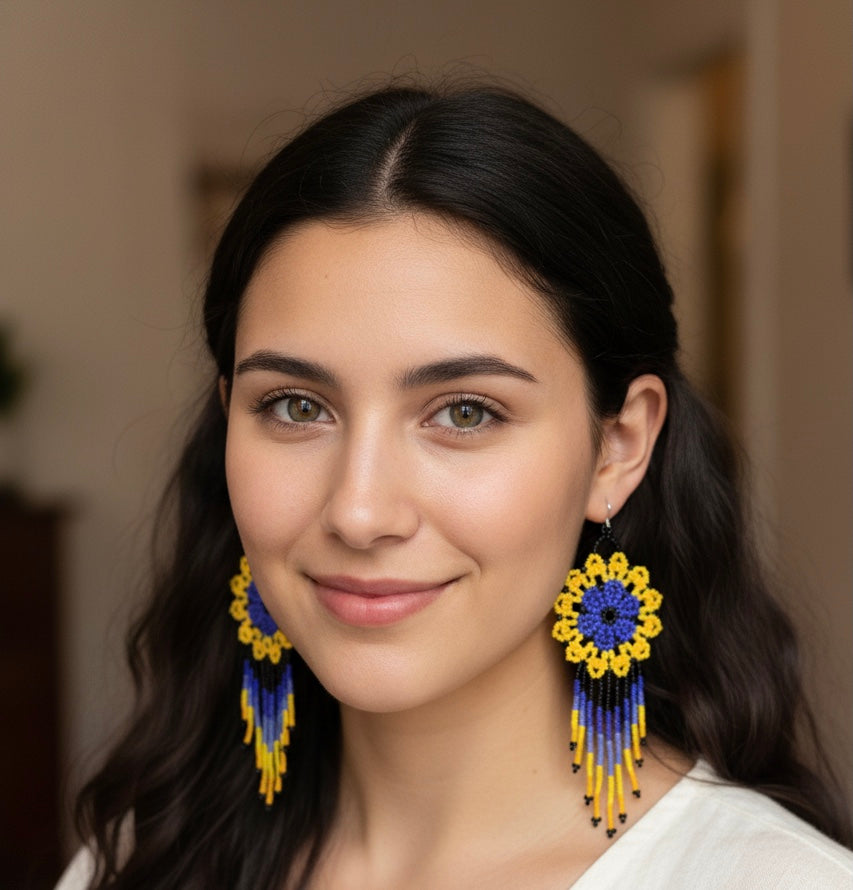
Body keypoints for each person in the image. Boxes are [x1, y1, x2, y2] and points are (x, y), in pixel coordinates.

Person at [58, 82, 852, 889]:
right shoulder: (136, 860)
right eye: (296, 406)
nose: (359, 512)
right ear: (230, 420)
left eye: (465, 412)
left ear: (618, 445)